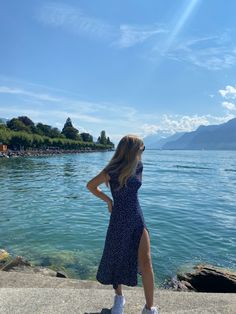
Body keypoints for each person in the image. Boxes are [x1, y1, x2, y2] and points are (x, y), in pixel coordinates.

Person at [86, 134, 159, 314]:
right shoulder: (111, 170)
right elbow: (91, 186)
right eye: (142, 148)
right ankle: (119, 298)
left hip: (136, 217)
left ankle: (149, 308)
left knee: (146, 261)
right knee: (116, 259)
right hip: (118, 218)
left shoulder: (139, 165)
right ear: (133, 149)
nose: (143, 151)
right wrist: (108, 201)